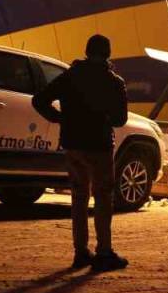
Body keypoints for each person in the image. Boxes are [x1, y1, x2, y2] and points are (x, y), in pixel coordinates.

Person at [32, 34, 129, 272]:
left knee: (78, 196)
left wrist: (60, 118)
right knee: (103, 198)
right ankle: (104, 251)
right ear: (108, 53)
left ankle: (80, 251)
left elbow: (39, 100)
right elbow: (120, 119)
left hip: (73, 144)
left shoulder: (69, 76)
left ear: (86, 51)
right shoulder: (114, 82)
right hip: (100, 146)